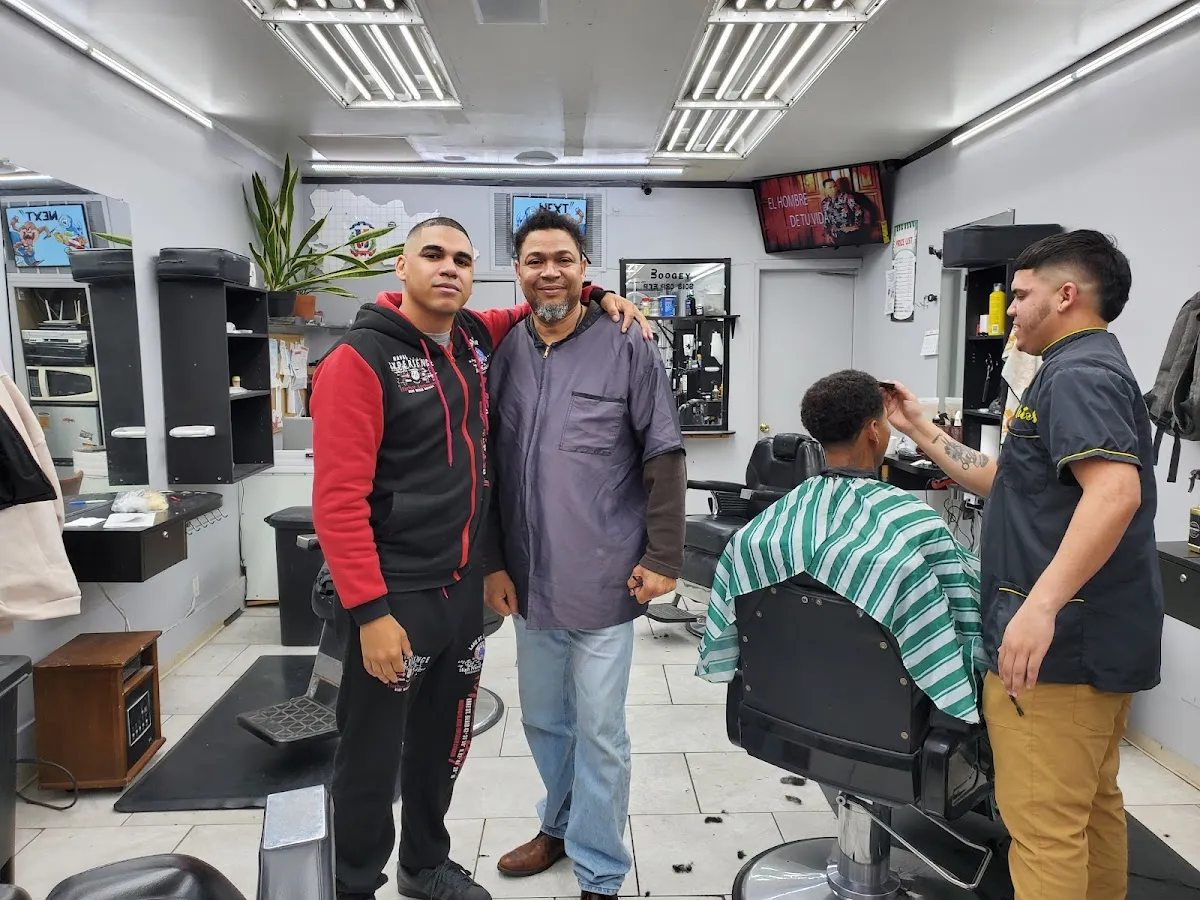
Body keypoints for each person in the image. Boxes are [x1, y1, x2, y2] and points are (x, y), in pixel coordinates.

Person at [310, 215, 649, 900]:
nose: (448, 268)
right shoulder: (358, 359)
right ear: (401, 267)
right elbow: (337, 503)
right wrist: (369, 612)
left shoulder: (472, 337)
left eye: (462, 260)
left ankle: (424, 865)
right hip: (394, 594)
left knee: (441, 744)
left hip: (461, 591)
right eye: (432, 255)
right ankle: (352, 883)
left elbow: (546, 296)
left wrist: (599, 294)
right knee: (371, 755)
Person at [883, 230, 1164, 900]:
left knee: (1044, 831)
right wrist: (920, 429)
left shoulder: (1078, 375)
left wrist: (1039, 608)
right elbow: (1006, 480)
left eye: (1021, 295)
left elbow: (1115, 494)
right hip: (1094, 641)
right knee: (1088, 808)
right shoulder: (1076, 368)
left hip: (1060, 652)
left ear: (1066, 295)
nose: (1011, 310)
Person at [481, 208, 687, 900]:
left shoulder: (627, 344)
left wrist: (665, 556)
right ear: (517, 272)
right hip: (527, 582)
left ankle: (599, 868)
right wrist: (493, 562)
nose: (550, 272)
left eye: (563, 260)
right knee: (544, 719)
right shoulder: (503, 350)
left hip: (605, 576)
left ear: (584, 268)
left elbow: (663, 452)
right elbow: (489, 469)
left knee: (599, 730)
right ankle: (560, 825)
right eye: (536, 260)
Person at [696, 370, 985, 724]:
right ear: (874, 431)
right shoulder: (916, 528)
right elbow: (970, 614)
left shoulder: (757, 536)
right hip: (891, 719)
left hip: (790, 708)